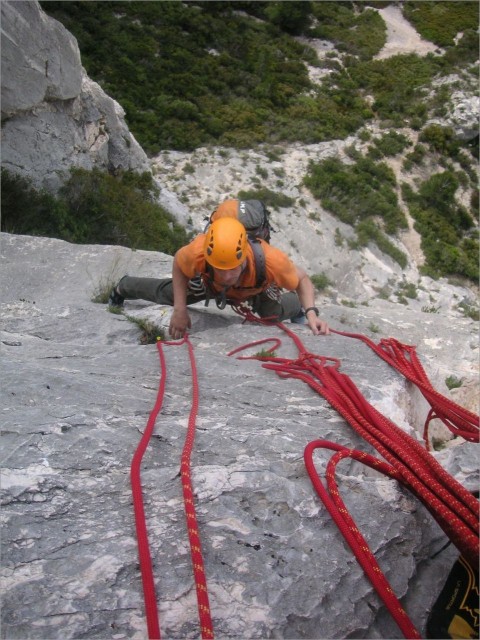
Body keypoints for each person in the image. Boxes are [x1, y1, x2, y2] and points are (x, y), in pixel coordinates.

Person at [109, 217, 330, 339]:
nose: (226, 276)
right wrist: (179, 309)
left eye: (232, 268)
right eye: (220, 268)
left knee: (272, 314)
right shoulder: (199, 252)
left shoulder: (272, 262)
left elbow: (302, 280)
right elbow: (179, 262)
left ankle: (297, 308)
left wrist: (311, 313)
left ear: (244, 256)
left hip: (254, 288)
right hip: (208, 284)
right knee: (168, 294)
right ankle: (123, 287)